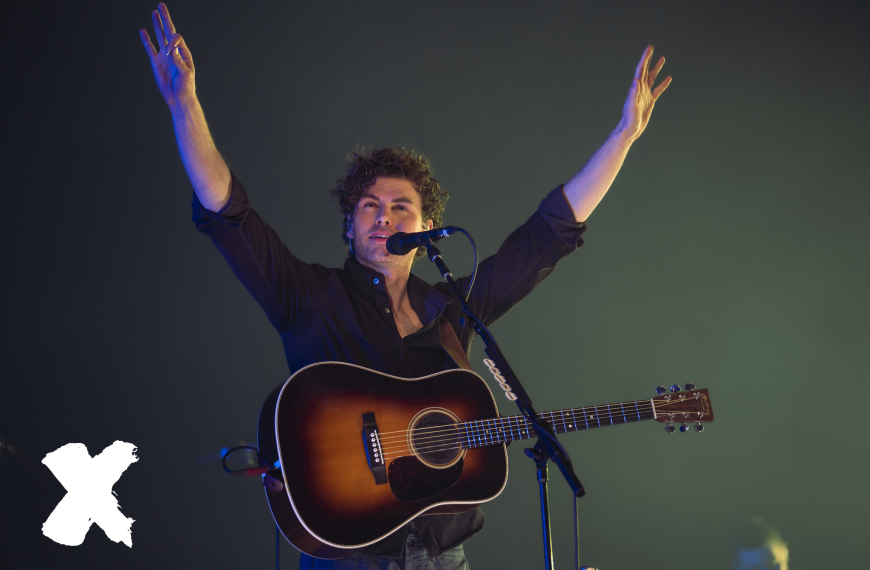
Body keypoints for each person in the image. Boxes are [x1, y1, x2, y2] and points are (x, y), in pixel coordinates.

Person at [140, 3, 671, 569]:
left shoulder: (450, 307)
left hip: (444, 555)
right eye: (370, 207)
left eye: (401, 207)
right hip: (348, 550)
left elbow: (546, 237)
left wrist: (623, 136)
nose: (385, 217)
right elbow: (228, 213)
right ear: (349, 226)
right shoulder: (308, 296)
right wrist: (184, 105)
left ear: (424, 228)